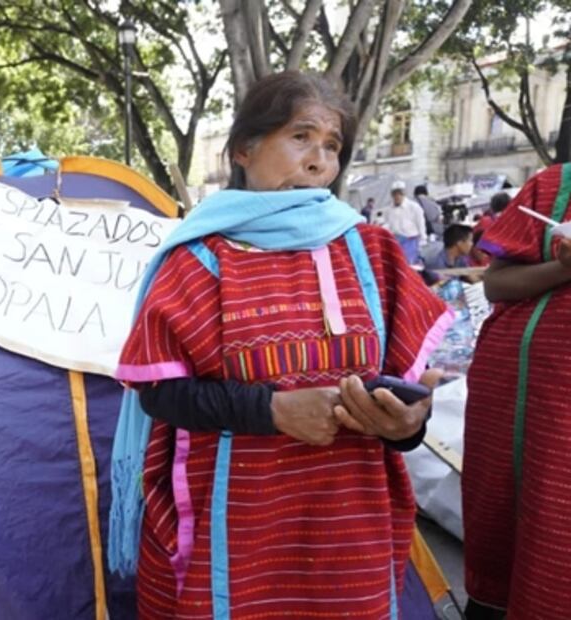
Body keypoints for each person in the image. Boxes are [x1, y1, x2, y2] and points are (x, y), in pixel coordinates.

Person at [109, 71, 452, 619]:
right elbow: (162, 395)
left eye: (332, 146)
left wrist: (408, 425)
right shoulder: (198, 259)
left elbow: (406, 391)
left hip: (348, 530)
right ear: (244, 149)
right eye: (301, 137)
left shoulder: (372, 252)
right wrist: (272, 410)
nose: (319, 162)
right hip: (233, 529)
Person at [462, 163, 571, 619]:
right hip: (522, 400)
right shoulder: (554, 185)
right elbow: (496, 283)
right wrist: (563, 268)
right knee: (520, 523)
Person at [380, 181, 426, 264]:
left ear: (404, 194)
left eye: (400, 194)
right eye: (395, 194)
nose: (397, 196)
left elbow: (421, 224)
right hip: (395, 242)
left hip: (411, 242)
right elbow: (387, 224)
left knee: (409, 264)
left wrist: (422, 240)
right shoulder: (388, 210)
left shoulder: (414, 207)